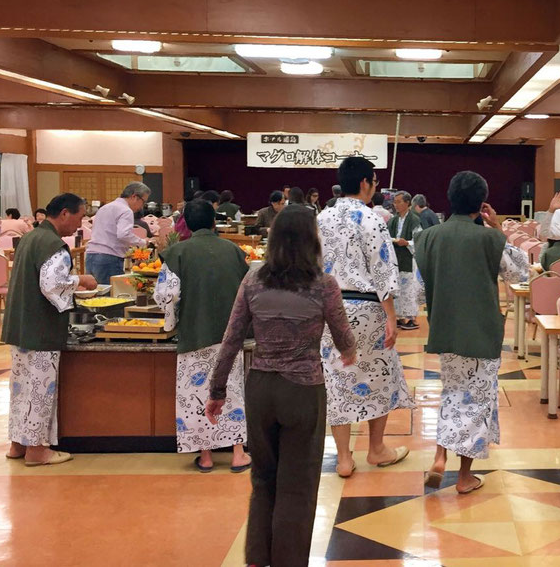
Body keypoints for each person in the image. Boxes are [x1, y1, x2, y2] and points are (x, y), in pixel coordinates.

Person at [207, 205, 356, 567]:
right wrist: (349, 352)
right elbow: (344, 340)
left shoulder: (253, 281)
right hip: (303, 391)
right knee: (298, 485)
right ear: (312, 241)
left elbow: (231, 339)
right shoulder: (324, 285)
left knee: (263, 479)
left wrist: (217, 391)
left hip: (261, 387)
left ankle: (258, 558)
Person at [416, 171, 528, 494]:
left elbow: (420, 293)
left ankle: (440, 455)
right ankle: (464, 477)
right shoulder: (490, 239)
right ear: (481, 204)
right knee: (477, 402)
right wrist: (497, 228)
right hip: (481, 331)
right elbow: (519, 272)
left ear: (449, 199)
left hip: (445, 329)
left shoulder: (428, 238)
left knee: (451, 393)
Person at [318, 156, 414, 478]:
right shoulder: (371, 219)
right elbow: (383, 270)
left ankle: (344, 458)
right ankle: (376, 449)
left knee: (336, 378)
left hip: (330, 308)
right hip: (367, 307)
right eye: (374, 181)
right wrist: (392, 317)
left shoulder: (323, 218)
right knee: (380, 375)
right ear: (364, 183)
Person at [153, 201, 251, 473]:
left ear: (187, 224)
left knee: (195, 393)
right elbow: (248, 288)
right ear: (213, 222)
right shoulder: (233, 250)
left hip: (194, 332)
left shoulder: (177, 253)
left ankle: (206, 456)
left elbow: (166, 295)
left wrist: (171, 321)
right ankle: (237, 453)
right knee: (230, 390)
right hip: (229, 334)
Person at [1, 193, 98, 466]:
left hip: (20, 325)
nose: (79, 225)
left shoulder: (32, 237)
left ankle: (18, 443)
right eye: (79, 217)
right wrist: (82, 280)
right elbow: (52, 286)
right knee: (40, 389)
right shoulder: (53, 244)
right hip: (40, 327)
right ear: (65, 213)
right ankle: (37, 449)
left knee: (21, 387)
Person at [85, 182, 149, 284]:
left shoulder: (105, 207)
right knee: (111, 296)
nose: (142, 206)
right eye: (143, 202)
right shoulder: (126, 210)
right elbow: (123, 234)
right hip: (109, 257)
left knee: (95, 294)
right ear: (134, 197)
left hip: (90, 255)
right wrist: (142, 242)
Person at [387, 191, 422, 331]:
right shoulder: (393, 220)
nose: (396, 204)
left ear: (407, 203)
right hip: (396, 258)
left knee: (408, 289)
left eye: (398, 201)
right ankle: (400, 317)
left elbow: (419, 240)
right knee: (397, 289)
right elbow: (386, 236)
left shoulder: (414, 219)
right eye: (394, 202)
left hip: (408, 258)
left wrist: (407, 243)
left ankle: (411, 318)